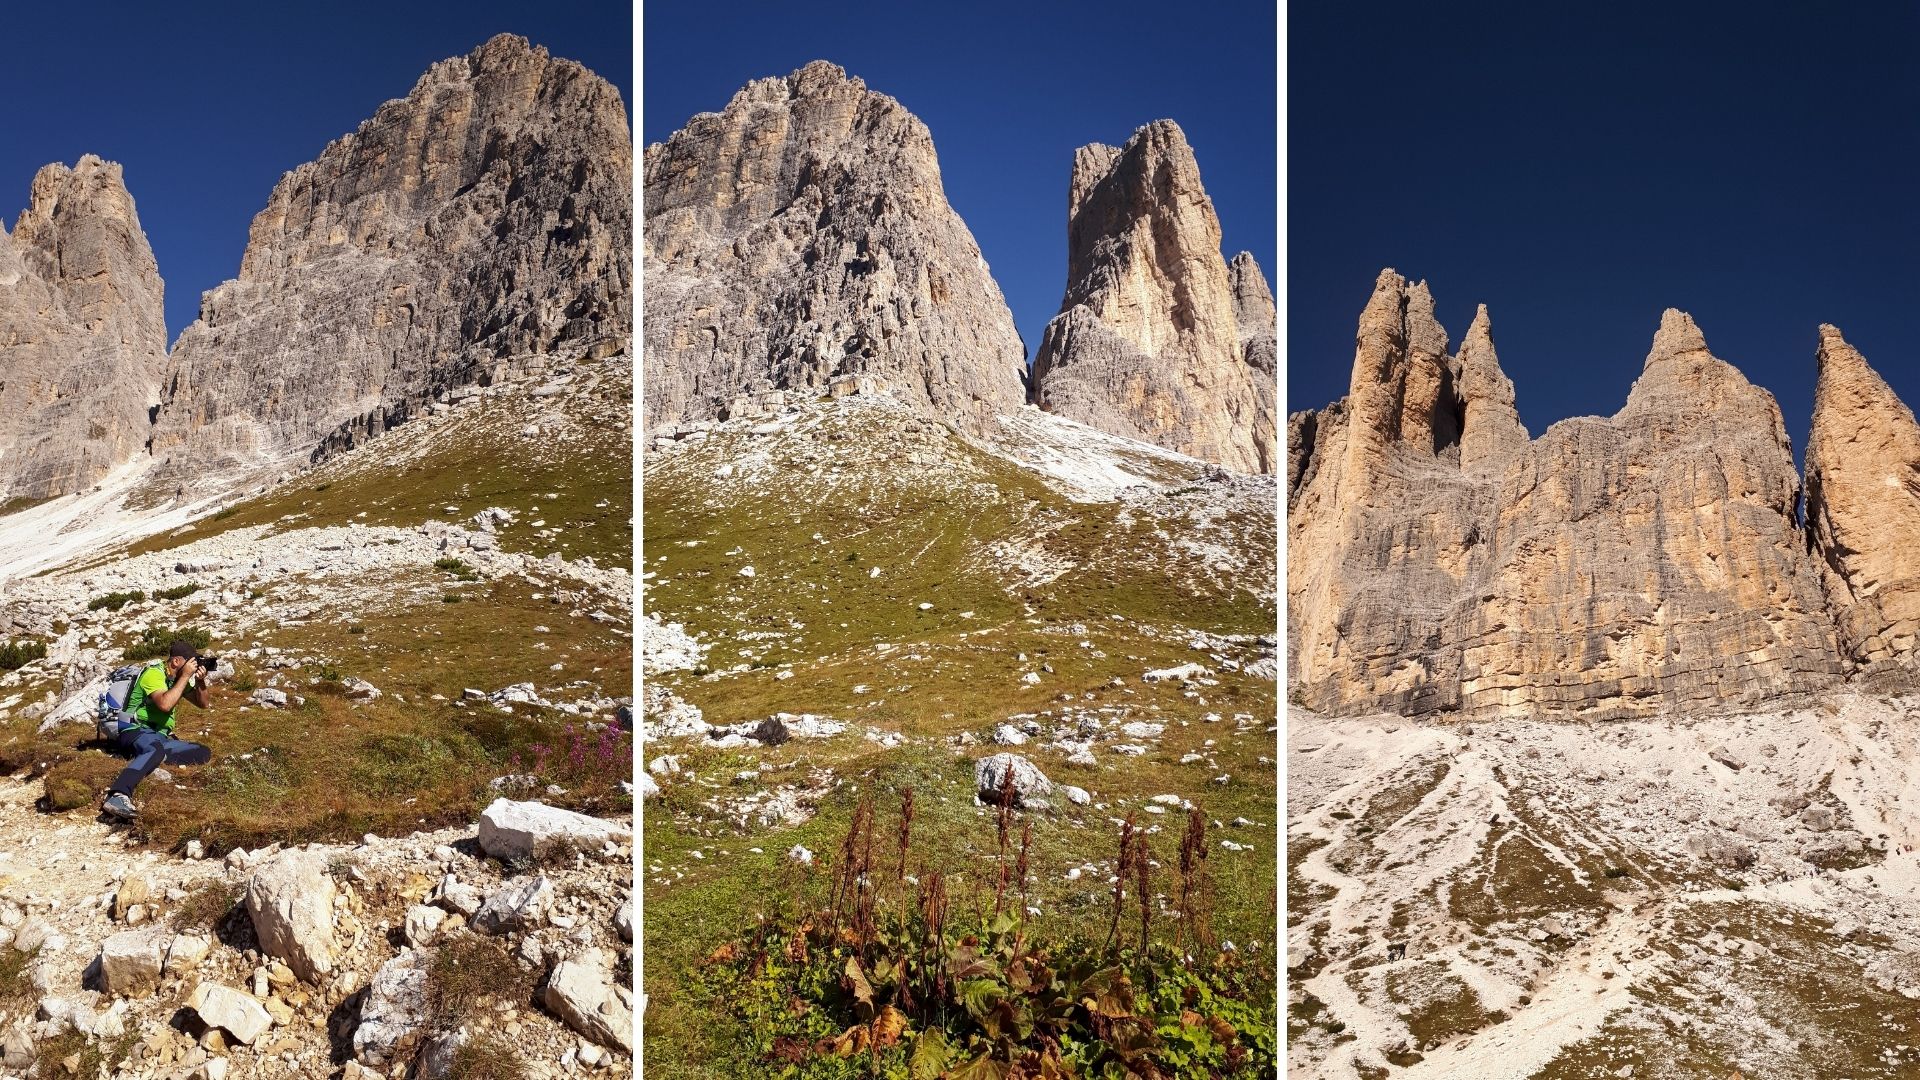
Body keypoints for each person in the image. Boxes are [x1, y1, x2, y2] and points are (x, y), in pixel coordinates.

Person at [102, 640, 214, 820]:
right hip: (134, 729)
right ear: (176, 662)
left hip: (160, 735)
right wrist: (185, 677)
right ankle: (117, 794)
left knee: (202, 752)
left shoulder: (178, 680)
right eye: (191, 663)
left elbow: (204, 704)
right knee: (154, 749)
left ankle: (147, 758)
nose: (193, 667)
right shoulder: (154, 673)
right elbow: (164, 704)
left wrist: (200, 682)